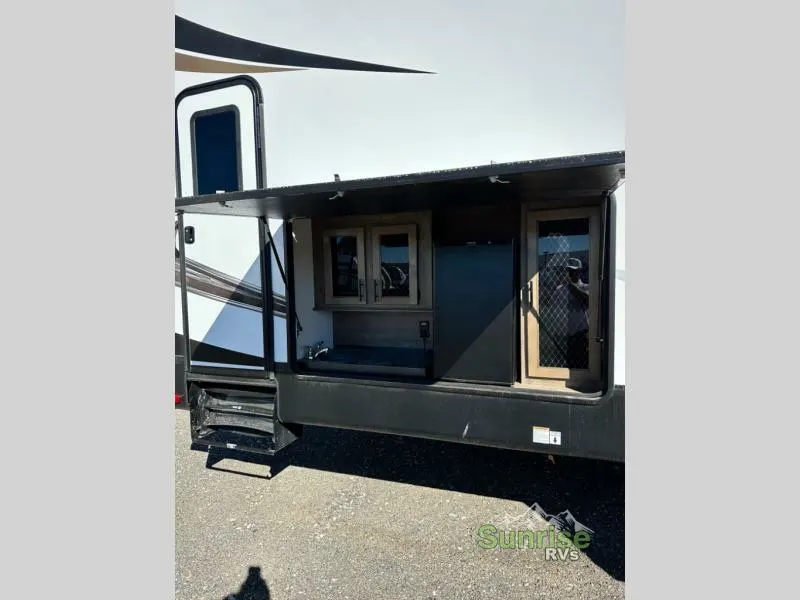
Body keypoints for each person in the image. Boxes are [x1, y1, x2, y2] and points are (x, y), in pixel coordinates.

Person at [562, 258, 590, 369]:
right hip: (565, 333)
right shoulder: (560, 289)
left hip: (581, 332)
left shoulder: (586, 287)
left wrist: (570, 285)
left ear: (579, 272)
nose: (571, 273)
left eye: (574, 271)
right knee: (568, 363)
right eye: (569, 271)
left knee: (582, 362)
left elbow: (587, 300)